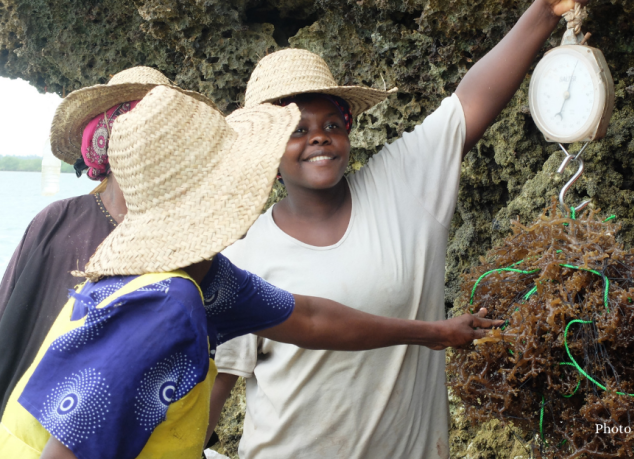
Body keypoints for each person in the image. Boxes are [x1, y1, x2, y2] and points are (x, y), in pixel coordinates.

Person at [0, 86, 501, 459]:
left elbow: (310, 319)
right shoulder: (163, 306)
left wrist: (433, 333)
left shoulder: (205, 277)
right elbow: (66, 451)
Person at [212, 0, 589, 457]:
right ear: (266, 149)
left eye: (332, 123)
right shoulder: (243, 258)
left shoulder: (401, 188)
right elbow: (216, 390)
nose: (319, 136)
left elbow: (468, 103)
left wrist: (547, 10)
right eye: (296, 129)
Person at [0, 66, 218, 414]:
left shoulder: (193, 237)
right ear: (105, 140)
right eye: (134, 128)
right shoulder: (58, 222)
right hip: (35, 422)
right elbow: (9, 320)